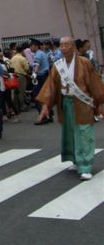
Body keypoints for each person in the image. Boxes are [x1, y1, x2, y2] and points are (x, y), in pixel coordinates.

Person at [36, 36, 104, 180]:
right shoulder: (57, 65)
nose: (63, 48)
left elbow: (95, 84)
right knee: (70, 132)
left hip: (82, 103)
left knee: (84, 132)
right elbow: (51, 87)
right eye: (61, 45)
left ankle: (85, 165)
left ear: (73, 47)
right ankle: (75, 160)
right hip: (65, 103)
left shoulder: (84, 63)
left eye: (66, 45)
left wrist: (100, 103)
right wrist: (45, 106)